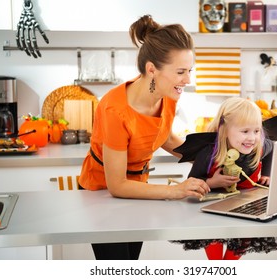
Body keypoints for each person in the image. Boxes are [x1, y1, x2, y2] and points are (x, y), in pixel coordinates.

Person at [78, 15, 210, 260]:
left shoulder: (168, 94)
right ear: (152, 69)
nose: (187, 80)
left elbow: (165, 138)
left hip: (138, 188)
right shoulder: (115, 109)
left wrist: (209, 160)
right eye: (181, 71)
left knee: (131, 264)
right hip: (102, 193)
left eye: (189, 71)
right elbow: (116, 185)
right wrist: (176, 190)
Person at [171, 97, 277, 260]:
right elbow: (191, 183)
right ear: (224, 130)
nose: (252, 138)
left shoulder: (259, 147)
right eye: (245, 131)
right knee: (216, 263)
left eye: (256, 131)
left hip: (245, 208)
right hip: (212, 211)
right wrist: (211, 183)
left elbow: (272, 148)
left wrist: (267, 174)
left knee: (232, 259)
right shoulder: (209, 153)